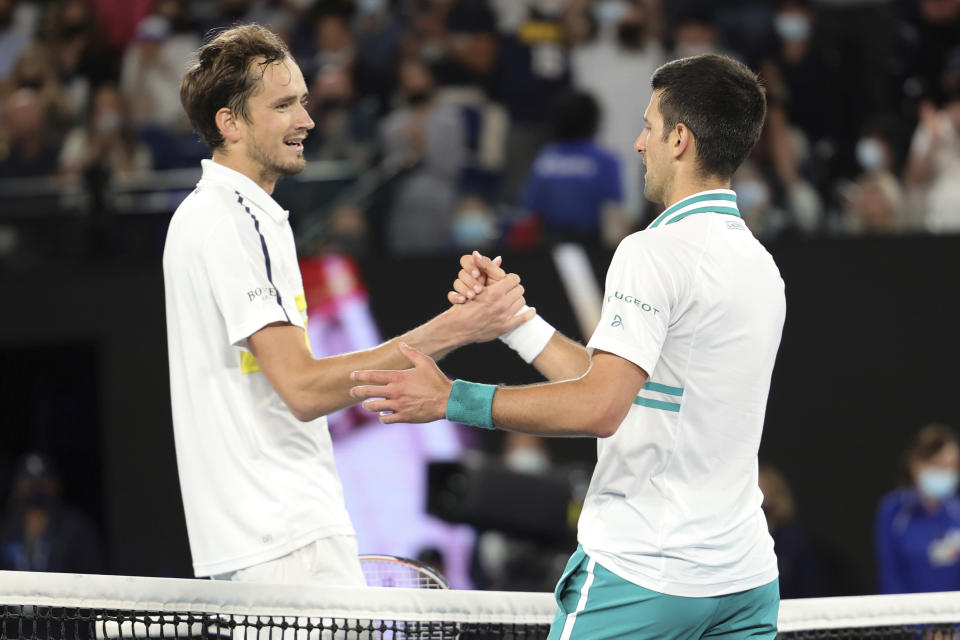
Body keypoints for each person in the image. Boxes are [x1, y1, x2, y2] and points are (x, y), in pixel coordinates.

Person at [351, 54, 784, 639]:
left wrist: (452, 398)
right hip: (743, 582)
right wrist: (517, 321)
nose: (638, 143)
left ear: (679, 140)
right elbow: (630, 391)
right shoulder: (761, 267)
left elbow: (599, 408)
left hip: (645, 576)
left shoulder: (653, 252)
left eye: (649, 126)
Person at [163, 23, 530, 585]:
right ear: (228, 122)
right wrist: (458, 327)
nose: (306, 120)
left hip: (253, 542)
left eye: (303, 102)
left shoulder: (210, 215)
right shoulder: (235, 220)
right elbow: (305, 390)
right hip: (287, 538)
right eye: (283, 105)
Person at [875, 423, 960, 594]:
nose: (947, 472)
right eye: (940, 464)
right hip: (909, 615)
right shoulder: (894, 511)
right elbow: (889, 573)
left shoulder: (957, 512)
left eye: (953, 465)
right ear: (917, 464)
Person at [0, 453, 103, 573]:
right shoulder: (5, 530)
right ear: (17, 487)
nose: (36, 488)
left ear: (56, 486)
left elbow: (93, 573)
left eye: (42, 483)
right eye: (29, 483)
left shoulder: (76, 528)